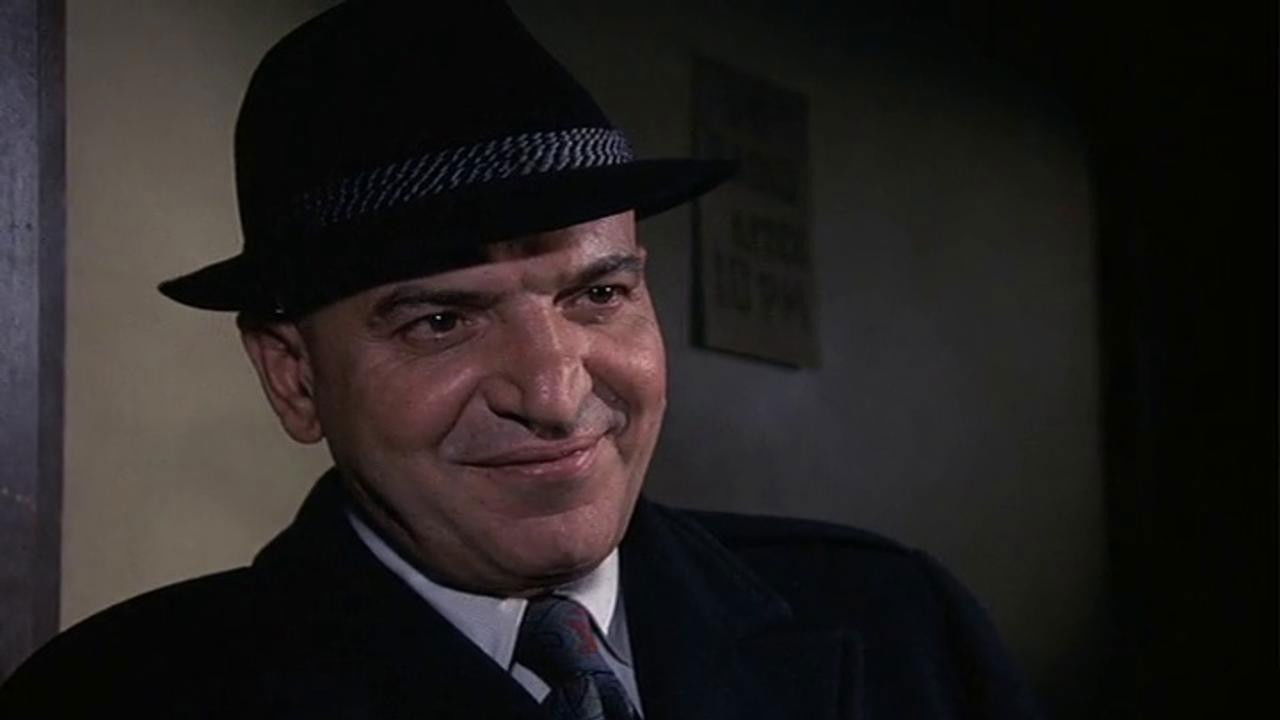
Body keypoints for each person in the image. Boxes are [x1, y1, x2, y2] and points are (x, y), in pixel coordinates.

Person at [0, 1, 1041, 717]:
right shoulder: (114, 698)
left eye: (598, 294)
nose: (552, 391)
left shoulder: (898, 626)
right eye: (439, 322)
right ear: (294, 376)